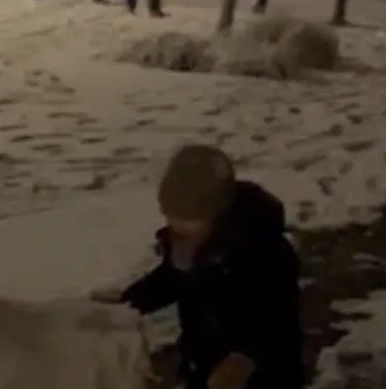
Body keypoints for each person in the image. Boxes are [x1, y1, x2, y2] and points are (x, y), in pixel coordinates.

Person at [92, 144, 304, 389]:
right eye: (171, 216)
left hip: (262, 373)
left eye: (189, 219)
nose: (177, 226)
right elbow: (170, 280)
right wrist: (126, 305)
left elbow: (276, 319)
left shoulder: (264, 250)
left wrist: (244, 359)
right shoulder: (189, 243)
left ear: (218, 213)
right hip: (203, 363)